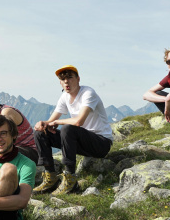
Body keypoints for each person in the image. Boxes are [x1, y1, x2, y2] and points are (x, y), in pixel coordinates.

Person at [33, 65, 113, 195]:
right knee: (41, 133)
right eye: (63, 79)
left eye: (70, 77)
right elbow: (50, 121)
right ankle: (50, 177)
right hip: (81, 142)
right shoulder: (64, 96)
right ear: (60, 82)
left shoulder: (88, 93)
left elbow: (78, 121)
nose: (66, 82)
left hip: (101, 143)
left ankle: (70, 179)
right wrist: (42, 124)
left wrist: (57, 122)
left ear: (78, 79)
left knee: (68, 128)